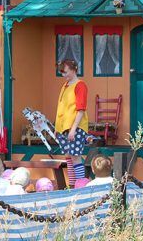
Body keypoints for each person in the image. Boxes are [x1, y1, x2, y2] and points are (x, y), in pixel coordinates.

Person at [55, 59, 89, 188]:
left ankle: (79, 186)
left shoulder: (80, 85)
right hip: (63, 127)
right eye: (62, 73)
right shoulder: (65, 85)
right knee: (68, 157)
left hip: (75, 127)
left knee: (75, 156)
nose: (64, 75)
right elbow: (61, 107)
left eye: (66, 72)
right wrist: (57, 127)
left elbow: (81, 109)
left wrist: (74, 129)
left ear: (73, 70)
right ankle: (72, 185)